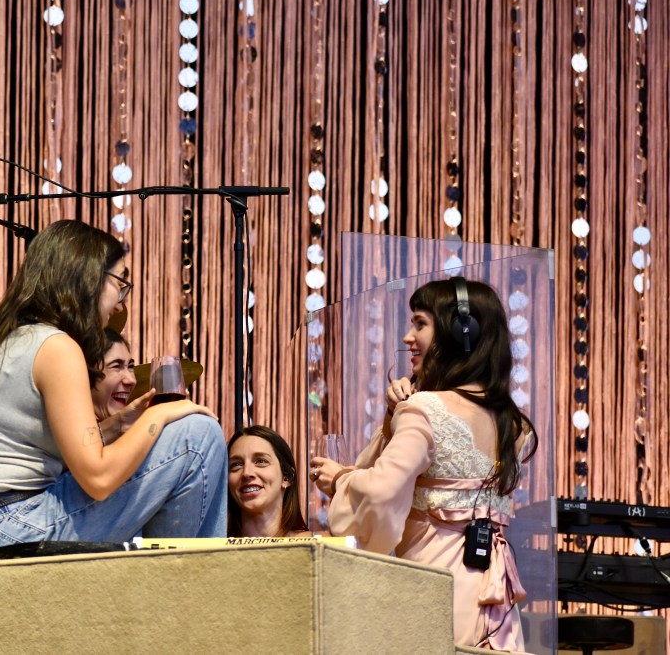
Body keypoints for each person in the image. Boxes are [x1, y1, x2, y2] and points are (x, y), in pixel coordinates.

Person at [0, 219, 227, 549]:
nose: (121, 303)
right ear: (88, 279)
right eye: (120, 284)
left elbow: (41, 449)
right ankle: (186, 588)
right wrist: (156, 416)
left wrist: (118, 426)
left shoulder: (5, 340)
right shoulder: (57, 347)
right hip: (15, 526)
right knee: (196, 435)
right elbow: (98, 479)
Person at [311, 278, 537, 652]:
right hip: (495, 601)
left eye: (419, 323)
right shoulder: (514, 424)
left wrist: (340, 482)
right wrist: (391, 419)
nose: (407, 337)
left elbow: (382, 491)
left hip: (432, 595)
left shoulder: (424, 410)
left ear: (458, 332)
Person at [227, 426, 310, 537]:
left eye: (261, 461)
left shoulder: (317, 544)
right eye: (236, 464)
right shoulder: (212, 548)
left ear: (287, 477)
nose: (246, 473)